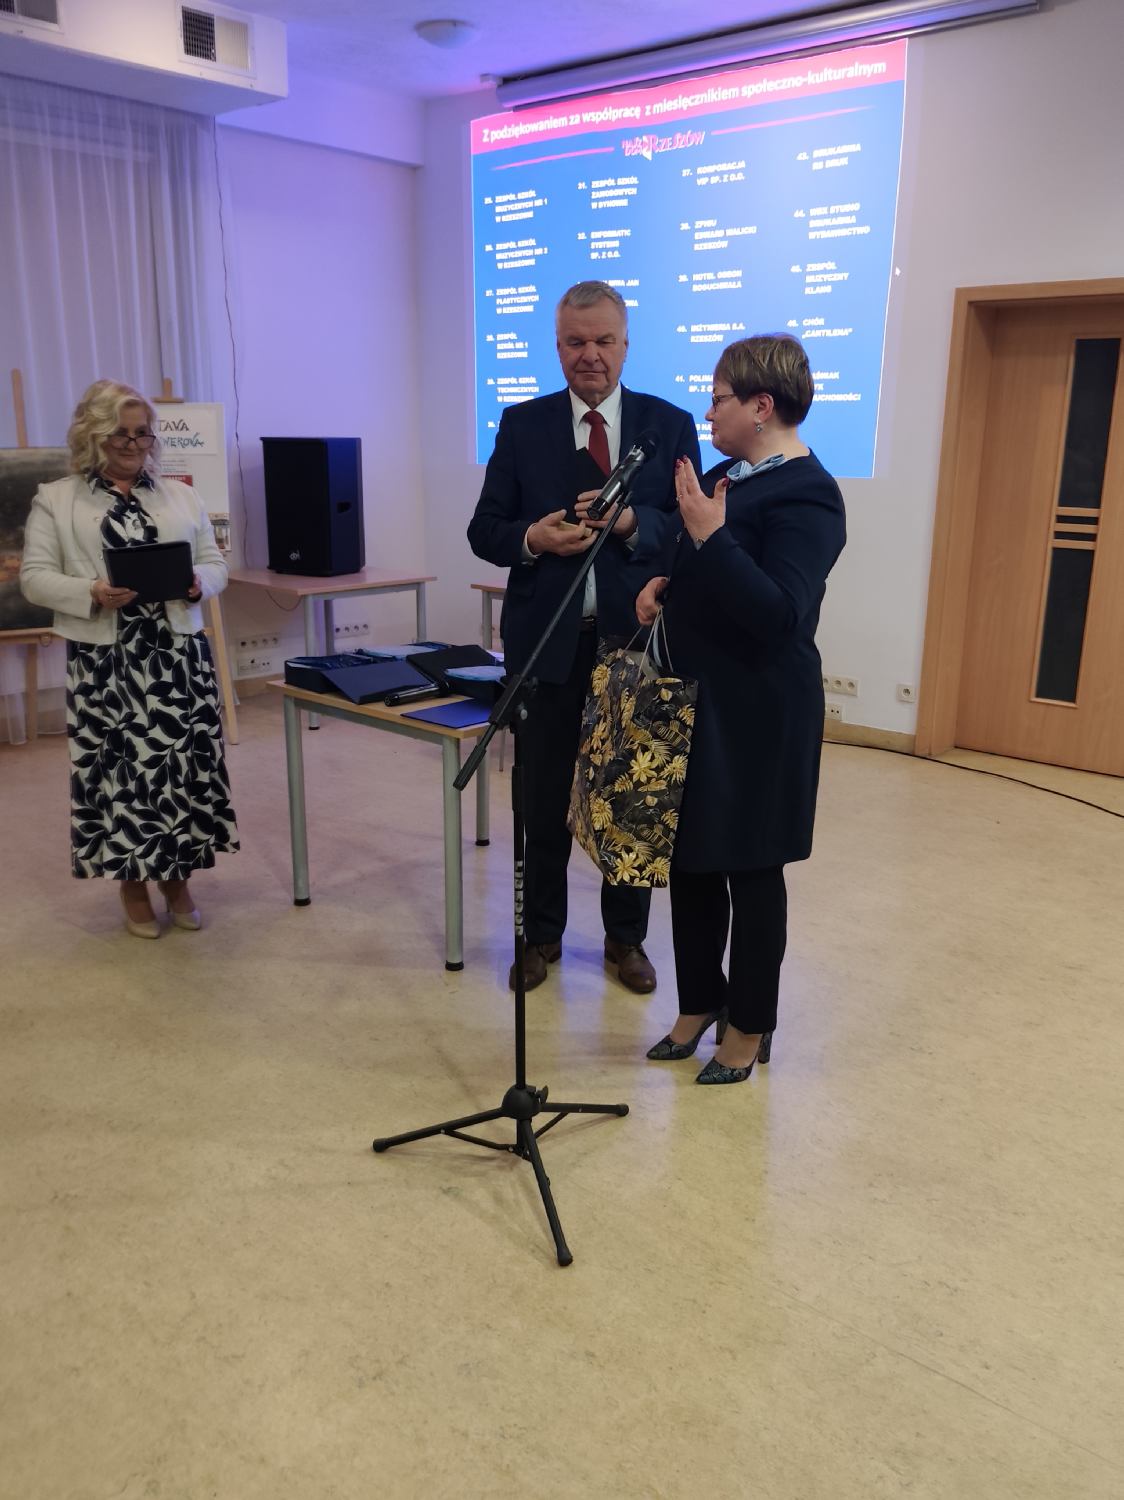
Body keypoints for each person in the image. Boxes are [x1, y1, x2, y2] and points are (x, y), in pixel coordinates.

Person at [468, 281, 700, 993]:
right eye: (575, 342)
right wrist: (532, 539)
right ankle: (539, 936)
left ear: (626, 345)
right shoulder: (522, 424)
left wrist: (631, 525)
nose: (590, 355)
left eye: (603, 340)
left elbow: (689, 528)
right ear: (557, 346)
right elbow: (485, 529)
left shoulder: (668, 424)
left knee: (629, 796)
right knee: (541, 800)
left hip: (635, 645)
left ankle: (625, 941)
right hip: (546, 647)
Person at [636, 335, 846, 1082]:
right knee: (692, 862)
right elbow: (700, 563)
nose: (708, 412)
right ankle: (699, 1003)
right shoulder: (726, 475)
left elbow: (780, 613)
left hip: (761, 715)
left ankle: (749, 1026)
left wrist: (711, 540)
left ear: (761, 406)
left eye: (719, 398)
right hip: (696, 704)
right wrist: (663, 583)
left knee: (751, 872)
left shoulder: (810, 495)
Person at [20, 379, 238, 937]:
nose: (134, 444)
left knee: (182, 771)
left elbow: (215, 561)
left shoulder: (180, 495)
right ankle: (133, 883)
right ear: (93, 435)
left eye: (143, 434)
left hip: (177, 657)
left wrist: (199, 582)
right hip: (107, 663)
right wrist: (91, 591)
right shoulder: (56, 498)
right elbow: (35, 578)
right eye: (120, 433)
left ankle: (177, 878)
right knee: (120, 775)